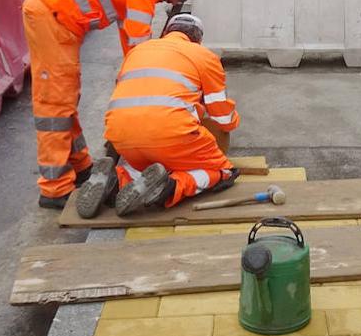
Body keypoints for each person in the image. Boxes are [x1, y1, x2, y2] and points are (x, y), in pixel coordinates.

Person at [21, 0, 201, 209]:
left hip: (59, 17)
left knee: (67, 95)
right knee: (55, 102)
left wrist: (132, 76)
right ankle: (54, 188)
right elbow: (139, 38)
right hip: (53, 14)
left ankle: (81, 167)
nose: (176, 2)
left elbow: (129, 37)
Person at [75, 14, 239, 218]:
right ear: (197, 39)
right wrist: (228, 121)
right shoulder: (203, 55)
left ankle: (117, 179)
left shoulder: (137, 52)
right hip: (171, 134)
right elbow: (223, 118)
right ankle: (169, 186)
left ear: (166, 32)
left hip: (122, 137)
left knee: (145, 167)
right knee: (224, 171)